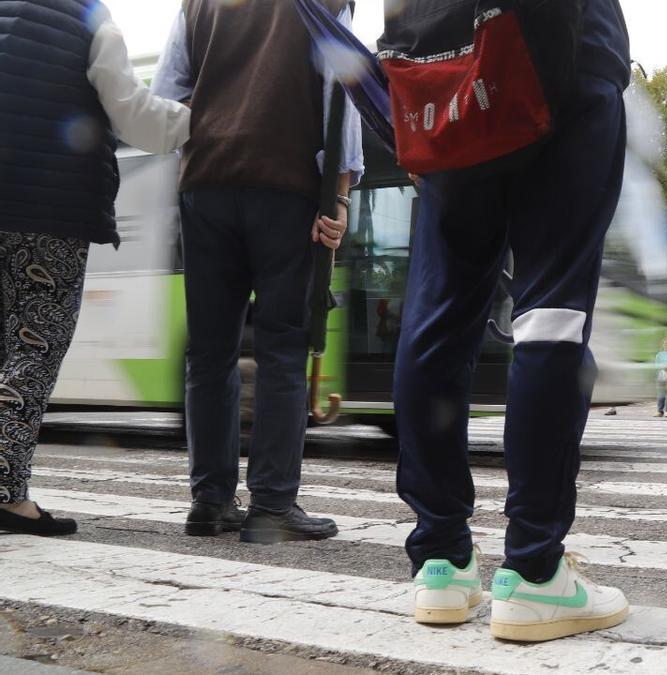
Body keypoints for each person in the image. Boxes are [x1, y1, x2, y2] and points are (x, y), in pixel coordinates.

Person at [388, 0, 633, 642]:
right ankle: (533, 571)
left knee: (437, 319)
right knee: (551, 312)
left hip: (444, 72)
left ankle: (441, 562)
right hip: (565, 50)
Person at [152, 0, 364, 543]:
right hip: (284, 186)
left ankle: (209, 501)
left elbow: (166, 93)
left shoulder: (196, 5)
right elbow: (340, 92)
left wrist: (203, 148)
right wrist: (339, 196)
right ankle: (271, 504)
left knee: (209, 352)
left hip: (205, 186)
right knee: (281, 349)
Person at [0, 0, 190, 536]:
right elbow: (135, 116)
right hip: (47, 212)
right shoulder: (86, 17)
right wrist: (202, 118)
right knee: (32, 348)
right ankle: (6, 495)